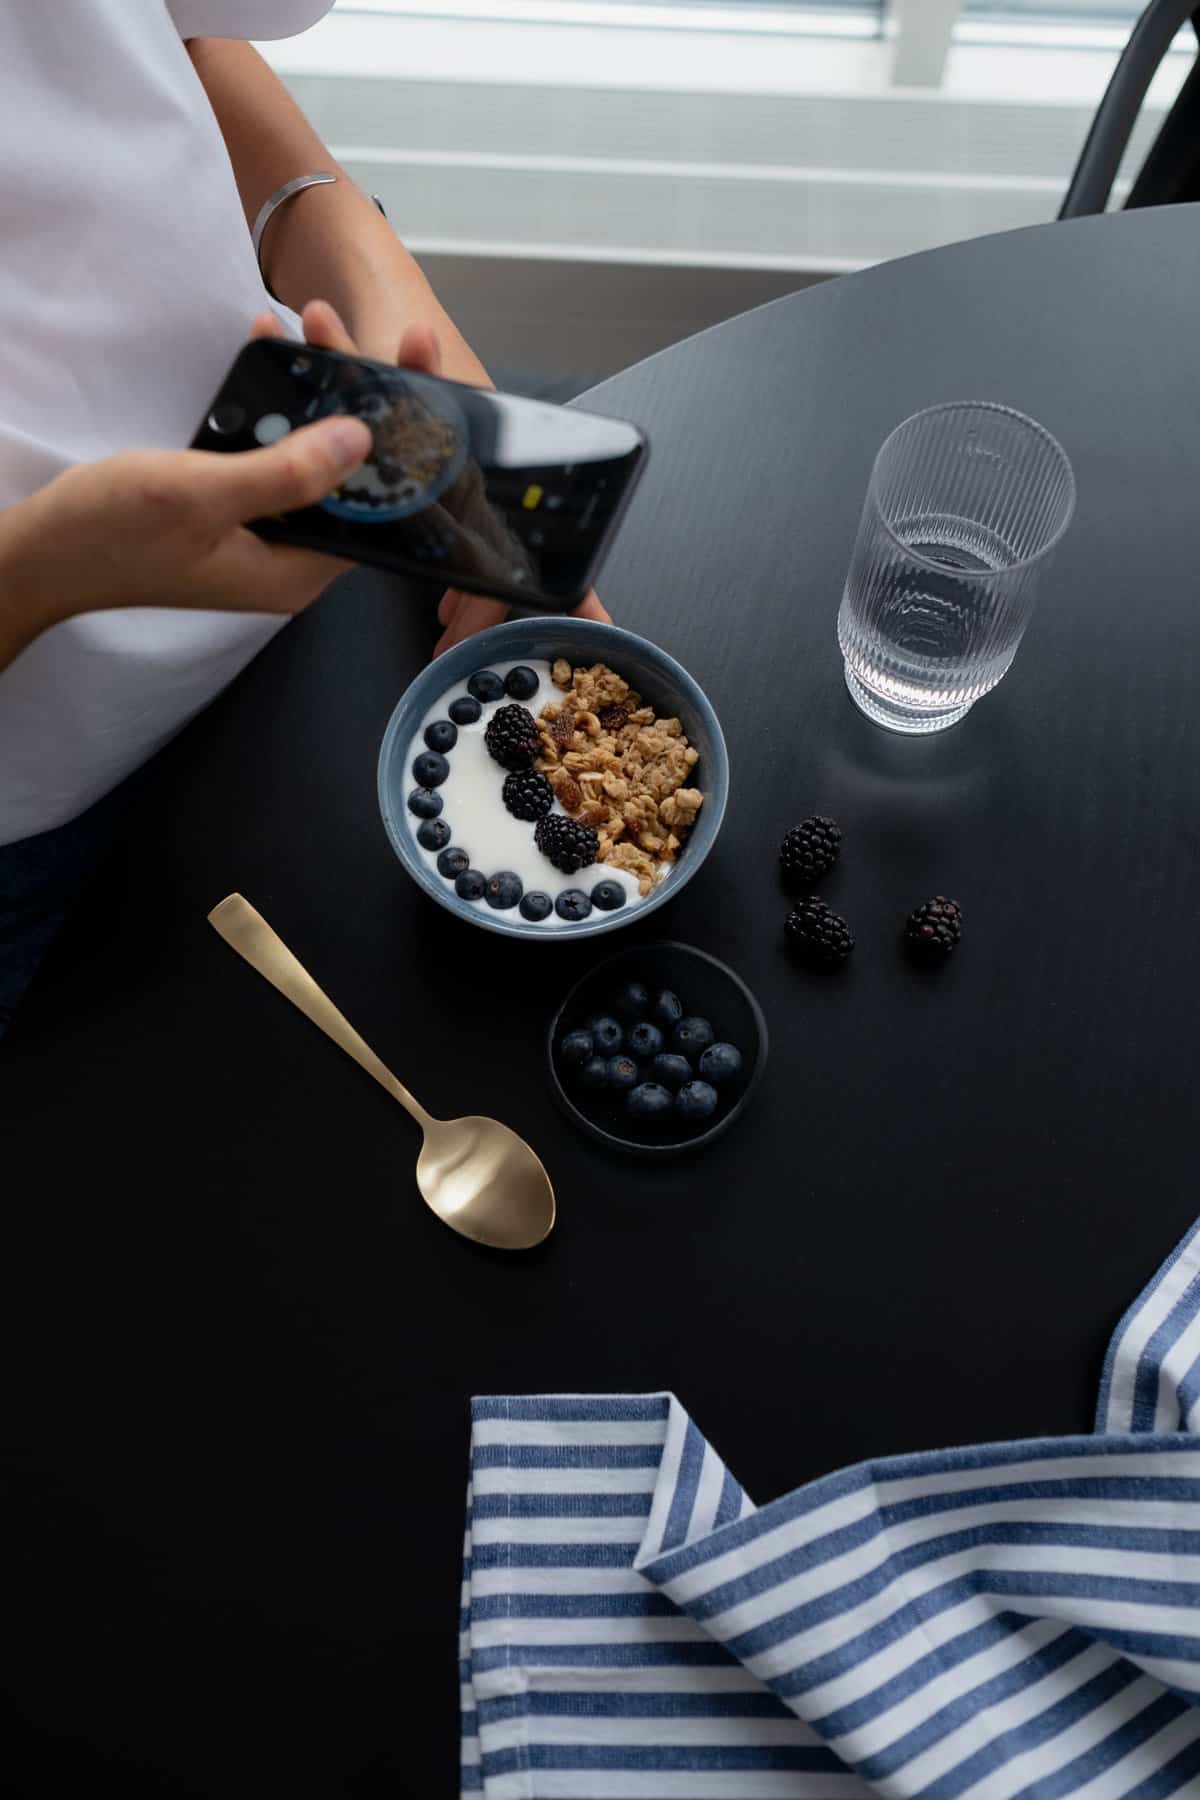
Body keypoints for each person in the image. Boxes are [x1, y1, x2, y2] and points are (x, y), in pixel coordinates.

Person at [0, 2, 606, 1032]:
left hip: (307, 503)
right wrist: (55, 567)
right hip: (45, 814)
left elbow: (153, 39)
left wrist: (361, 269)